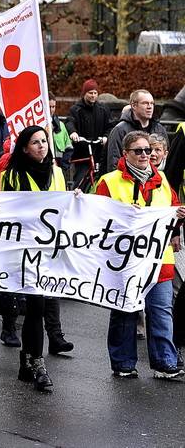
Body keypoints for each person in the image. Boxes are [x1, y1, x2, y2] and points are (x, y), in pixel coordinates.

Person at [94, 130, 184, 379]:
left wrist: (178, 217)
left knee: (161, 311)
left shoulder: (162, 180)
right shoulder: (110, 181)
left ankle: (165, 362)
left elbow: (173, 207)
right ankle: (123, 362)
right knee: (125, 310)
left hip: (159, 259)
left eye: (149, 150)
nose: (146, 155)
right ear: (126, 154)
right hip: (126, 261)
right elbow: (97, 217)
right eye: (139, 151)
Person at [0, 125, 68, 391]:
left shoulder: (57, 172)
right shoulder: (12, 175)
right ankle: (37, 363)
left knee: (40, 305)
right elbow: (7, 209)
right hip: (25, 249)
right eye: (36, 142)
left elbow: (65, 205)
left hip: (50, 249)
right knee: (36, 305)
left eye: (44, 141)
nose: (42, 146)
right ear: (25, 147)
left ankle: (27, 359)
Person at [106, 90, 167, 173]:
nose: (150, 107)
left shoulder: (160, 129)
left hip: (156, 181)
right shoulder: (120, 130)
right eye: (145, 103)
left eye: (152, 103)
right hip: (127, 181)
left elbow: (167, 159)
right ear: (134, 106)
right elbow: (114, 164)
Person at [67, 79, 110, 189]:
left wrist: (105, 137)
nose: (93, 96)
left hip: (98, 150)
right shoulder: (76, 109)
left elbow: (109, 126)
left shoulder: (103, 110)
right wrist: (73, 133)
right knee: (80, 179)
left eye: (95, 93)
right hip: (82, 151)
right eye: (90, 93)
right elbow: (70, 121)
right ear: (84, 93)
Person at [48, 95, 74, 178]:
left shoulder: (61, 126)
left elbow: (68, 148)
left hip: (60, 170)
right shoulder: (37, 126)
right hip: (44, 170)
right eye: (48, 107)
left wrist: (63, 167)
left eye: (53, 107)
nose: (51, 110)